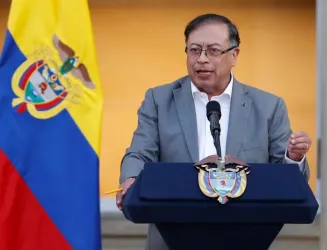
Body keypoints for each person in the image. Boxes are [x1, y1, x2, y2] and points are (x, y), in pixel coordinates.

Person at [116, 13, 312, 250]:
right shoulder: (159, 100)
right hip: (171, 239)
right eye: (194, 50)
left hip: (245, 239)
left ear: (234, 55)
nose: (202, 59)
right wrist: (131, 178)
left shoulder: (269, 107)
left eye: (213, 51)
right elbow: (139, 153)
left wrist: (293, 158)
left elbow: (286, 185)